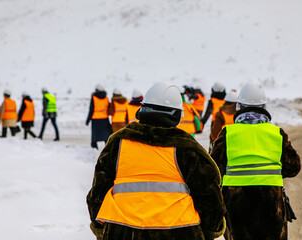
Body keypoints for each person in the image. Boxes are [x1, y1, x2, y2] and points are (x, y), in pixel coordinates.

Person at [87, 82, 226, 240]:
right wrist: (209, 231)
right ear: (175, 115)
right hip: (180, 232)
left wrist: (102, 229)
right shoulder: (187, 149)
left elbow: (97, 193)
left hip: (123, 232)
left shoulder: (117, 143)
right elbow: (209, 197)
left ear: (143, 109)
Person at [210, 82, 301, 240]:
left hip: (236, 207)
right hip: (271, 206)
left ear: (239, 107)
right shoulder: (276, 134)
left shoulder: (228, 134)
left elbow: (213, 169)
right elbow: (293, 167)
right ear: (264, 107)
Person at [86, 84, 113, 149]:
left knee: (95, 134)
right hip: (104, 118)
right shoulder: (106, 98)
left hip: (96, 119)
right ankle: (107, 145)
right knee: (106, 134)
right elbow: (109, 107)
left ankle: (94, 145)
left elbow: (91, 110)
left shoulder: (94, 98)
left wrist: (88, 120)